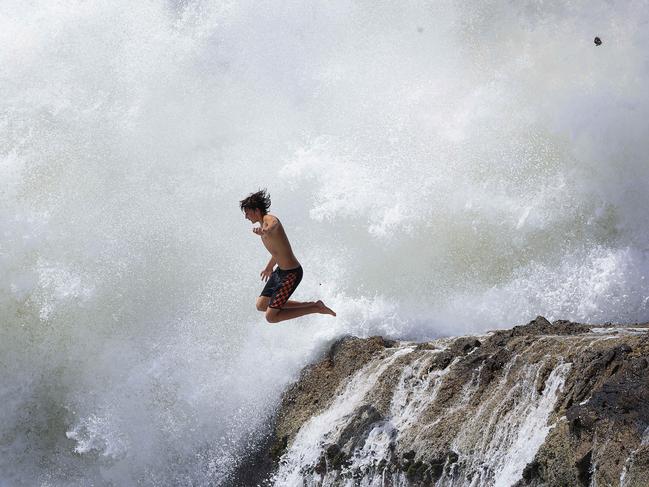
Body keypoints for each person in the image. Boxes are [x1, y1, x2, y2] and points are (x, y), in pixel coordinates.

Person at [240, 189, 336, 323]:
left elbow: (275, 223)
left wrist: (266, 230)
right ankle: (313, 305)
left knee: (270, 317)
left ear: (256, 210)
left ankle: (315, 308)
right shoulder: (263, 225)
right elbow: (277, 252)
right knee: (261, 305)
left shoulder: (268, 220)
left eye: (247, 212)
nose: (246, 216)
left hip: (291, 274)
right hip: (280, 272)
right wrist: (269, 268)